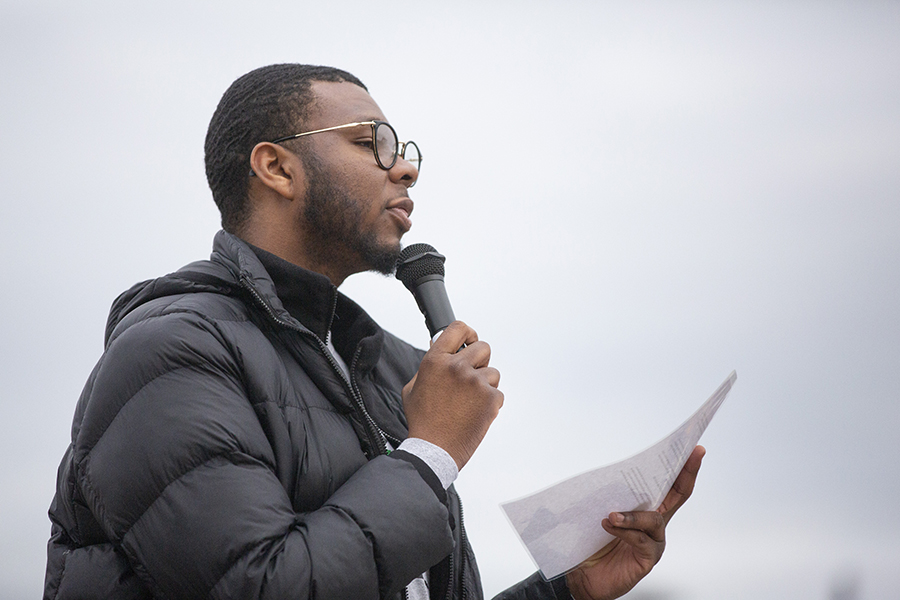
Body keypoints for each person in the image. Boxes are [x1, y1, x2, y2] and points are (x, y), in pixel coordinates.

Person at [43, 63, 705, 600]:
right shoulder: (171, 355)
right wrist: (431, 453)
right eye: (371, 142)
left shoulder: (379, 367)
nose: (405, 168)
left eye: (404, 149)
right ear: (277, 169)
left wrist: (570, 591)